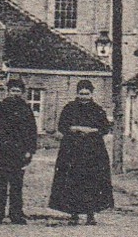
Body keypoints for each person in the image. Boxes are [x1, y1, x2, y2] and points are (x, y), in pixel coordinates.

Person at [49, 80, 114, 224]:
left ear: (91, 94)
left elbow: (105, 128)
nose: (84, 97)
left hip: (93, 152)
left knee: (92, 181)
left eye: (87, 94)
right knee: (72, 181)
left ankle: (91, 214)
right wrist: (74, 128)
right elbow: (61, 126)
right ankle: (74, 214)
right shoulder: (69, 108)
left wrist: (90, 130)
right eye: (81, 94)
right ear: (77, 94)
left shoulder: (98, 110)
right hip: (72, 151)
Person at [0, 78, 37, 224]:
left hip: (19, 152)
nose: (15, 94)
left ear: (22, 93)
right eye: (13, 90)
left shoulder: (26, 110)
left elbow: (32, 131)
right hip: (1, 150)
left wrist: (30, 150)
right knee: (0, 183)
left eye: (18, 91)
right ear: (7, 91)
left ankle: (16, 214)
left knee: (16, 184)